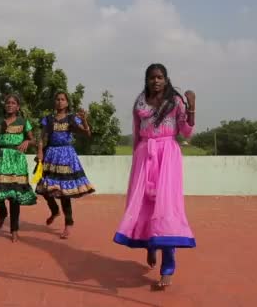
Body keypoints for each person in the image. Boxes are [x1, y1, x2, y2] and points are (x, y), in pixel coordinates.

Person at [113, 63, 196, 289]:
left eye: (160, 77)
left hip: (168, 156)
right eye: (152, 78)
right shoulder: (140, 103)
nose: (156, 81)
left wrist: (192, 107)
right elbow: (137, 133)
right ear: (147, 80)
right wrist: (136, 164)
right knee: (145, 205)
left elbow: (187, 132)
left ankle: (168, 265)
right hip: (144, 156)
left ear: (166, 80)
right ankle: (151, 245)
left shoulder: (175, 103)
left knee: (166, 207)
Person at [0, 94, 37, 243]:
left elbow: (33, 139)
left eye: (13, 103)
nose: (9, 105)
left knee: (14, 196)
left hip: (17, 160)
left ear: (18, 106)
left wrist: (27, 142)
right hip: (0, 158)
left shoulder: (23, 122)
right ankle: (2, 212)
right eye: (7, 103)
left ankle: (14, 229)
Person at [36, 92, 95, 239]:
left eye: (63, 99)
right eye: (57, 99)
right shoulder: (48, 119)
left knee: (64, 192)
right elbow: (42, 138)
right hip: (50, 156)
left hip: (66, 156)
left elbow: (86, 133)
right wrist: (40, 153)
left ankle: (68, 223)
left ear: (67, 103)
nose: (60, 102)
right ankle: (55, 210)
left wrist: (84, 121)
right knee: (44, 188)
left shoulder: (71, 119)